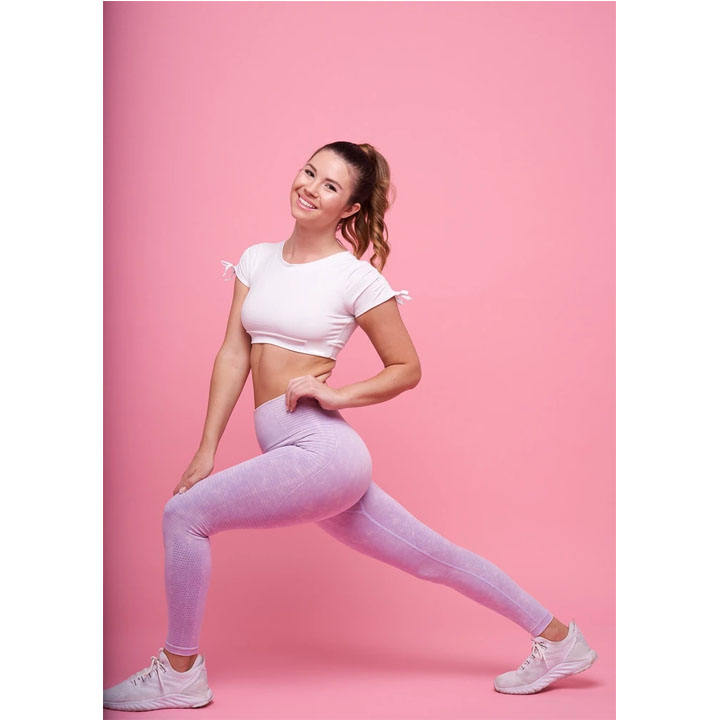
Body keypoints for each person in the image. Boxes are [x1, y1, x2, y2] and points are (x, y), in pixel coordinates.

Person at [103, 141, 598, 711]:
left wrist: (338, 394)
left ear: (351, 209)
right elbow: (234, 354)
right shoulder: (257, 259)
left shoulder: (353, 278)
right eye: (309, 171)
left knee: (184, 516)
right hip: (303, 454)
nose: (310, 188)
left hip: (322, 452)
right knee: (431, 555)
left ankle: (180, 671)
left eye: (331, 186)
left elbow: (406, 367)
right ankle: (559, 640)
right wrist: (206, 447)